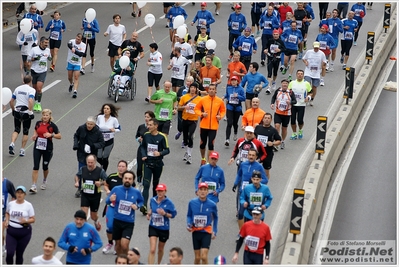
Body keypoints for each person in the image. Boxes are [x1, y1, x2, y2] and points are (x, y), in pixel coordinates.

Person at [106, 171, 144, 255]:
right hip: (117, 220)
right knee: (118, 245)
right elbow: (107, 200)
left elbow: (141, 201)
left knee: (124, 244)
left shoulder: (136, 192)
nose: (127, 180)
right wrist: (110, 199)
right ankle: (121, 261)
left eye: (130, 179)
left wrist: (137, 206)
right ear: (122, 179)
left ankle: (128, 261)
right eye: (126, 178)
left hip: (128, 222)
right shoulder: (116, 189)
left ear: (133, 180)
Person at [140, 118, 170, 215]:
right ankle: (144, 205)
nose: (148, 127)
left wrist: (160, 153)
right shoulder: (146, 135)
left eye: (150, 125)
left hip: (158, 164)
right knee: (146, 184)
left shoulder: (162, 137)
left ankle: (154, 205)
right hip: (148, 163)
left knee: (155, 185)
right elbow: (143, 146)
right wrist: (144, 155)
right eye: (148, 125)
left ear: (156, 126)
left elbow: (167, 150)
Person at [232, 150, 268, 229]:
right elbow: (239, 174)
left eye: (253, 155)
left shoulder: (259, 166)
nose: (251, 157)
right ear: (247, 155)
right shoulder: (243, 164)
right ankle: (242, 232)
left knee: (251, 214)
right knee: (240, 214)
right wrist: (235, 183)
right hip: (243, 193)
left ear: (256, 157)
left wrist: (255, 180)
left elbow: (265, 180)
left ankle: (254, 231)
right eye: (250, 155)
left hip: (253, 194)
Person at [30, 109, 61, 193]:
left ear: (50, 116)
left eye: (47, 115)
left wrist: (51, 135)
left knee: (45, 167)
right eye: (44, 115)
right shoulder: (38, 123)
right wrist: (35, 135)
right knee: (36, 166)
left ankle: (44, 180)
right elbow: (36, 129)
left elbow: (59, 136)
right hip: (37, 147)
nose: (45, 117)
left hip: (48, 149)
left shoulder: (52, 126)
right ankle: (34, 186)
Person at [194, 84, 226, 166]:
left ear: (216, 91)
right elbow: (196, 109)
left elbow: (223, 110)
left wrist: (220, 116)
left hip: (214, 126)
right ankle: (203, 158)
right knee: (202, 144)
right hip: (204, 125)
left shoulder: (219, 101)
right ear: (208, 90)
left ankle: (208, 162)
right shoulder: (203, 99)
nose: (211, 90)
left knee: (211, 144)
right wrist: (201, 114)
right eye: (210, 89)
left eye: (213, 89)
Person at [187, 182, 218, 264]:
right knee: (197, 258)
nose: (203, 192)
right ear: (198, 191)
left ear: (207, 192)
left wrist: (214, 230)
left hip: (206, 231)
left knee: (203, 257)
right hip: (196, 231)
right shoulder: (192, 203)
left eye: (205, 190)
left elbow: (216, 217)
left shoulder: (212, 204)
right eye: (201, 190)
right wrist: (188, 224)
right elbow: (189, 215)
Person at [74, 154, 107, 232]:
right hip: (85, 195)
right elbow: (77, 176)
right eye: (88, 162)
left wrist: (101, 183)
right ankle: (84, 231)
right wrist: (77, 182)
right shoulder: (83, 169)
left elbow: (107, 181)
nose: (90, 164)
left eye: (92, 163)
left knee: (93, 216)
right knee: (83, 214)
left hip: (95, 196)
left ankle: (96, 221)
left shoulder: (100, 171)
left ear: (95, 162)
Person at [146, 184, 177, 264]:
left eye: (161, 191)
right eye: (158, 191)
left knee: (160, 249)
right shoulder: (153, 200)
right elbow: (152, 209)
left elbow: (173, 215)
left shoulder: (169, 202)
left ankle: (158, 264)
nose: (159, 193)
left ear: (165, 191)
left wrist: (165, 214)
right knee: (152, 249)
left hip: (164, 229)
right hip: (153, 226)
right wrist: (149, 214)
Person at [4, 185, 35, 265]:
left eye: (21, 193)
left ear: (25, 195)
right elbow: (7, 213)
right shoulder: (11, 204)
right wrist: (7, 220)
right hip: (11, 232)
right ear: (15, 193)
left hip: (24, 233)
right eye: (18, 192)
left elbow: (33, 219)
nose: (19, 194)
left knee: (19, 254)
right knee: (10, 253)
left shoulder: (28, 205)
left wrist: (26, 221)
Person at [102, 160, 128, 254]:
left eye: (123, 166)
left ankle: (118, 245)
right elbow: (105, 184)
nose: (121, 168)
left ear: (126, 168)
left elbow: (133, 189)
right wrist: (107, 190)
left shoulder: (127, 179)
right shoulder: (112, 177)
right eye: (119, 166)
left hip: (122, 208)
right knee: (110, 226)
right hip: (111, 206)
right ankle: (110, 243)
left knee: (120, 227)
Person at [9, 75, 35, 157]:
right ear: (30, 81)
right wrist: (30, 112)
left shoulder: (17, 88)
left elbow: (11, 100)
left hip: (17, 110)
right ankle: (22, 150)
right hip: (25, 112)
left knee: (16, 129)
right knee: (25, 131)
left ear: (23, 81)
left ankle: (12, 143)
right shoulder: (31, 90)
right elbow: (30, 101)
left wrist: (13, 110)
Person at [73, 116, 105, 183]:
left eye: (91, 124)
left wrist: (93, 146)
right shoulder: (81, 128)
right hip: (81, 153)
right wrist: (76, 144)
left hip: (92, 154)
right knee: (81, 171)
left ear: (94, 124)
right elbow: (76, 135)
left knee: (90, 171)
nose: (89, 126)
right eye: (88, 124)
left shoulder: (98, 132)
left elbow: (102, 143)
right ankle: (80, 188)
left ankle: (90, 186)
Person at [270, 79, 297, 149]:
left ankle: (282, 141)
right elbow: (273, 97)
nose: (284, 85)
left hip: (286, 114)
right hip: (278, 112)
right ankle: (277, 141)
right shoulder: (278, 90)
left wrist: (290, 102)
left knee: (284, 129)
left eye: (286, 83)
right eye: (283, 83)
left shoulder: (290, 92)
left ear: (288, 85)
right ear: (281, 84)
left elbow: (295, 101)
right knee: (277, 126)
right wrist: (272, 103)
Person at [27, 36, 52, 112]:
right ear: (41, 42)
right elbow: (28, 59)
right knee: (34, 89)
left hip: (43, 71)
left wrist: (50, 59)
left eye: (47, 43)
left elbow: (50, 58)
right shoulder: (34, 50)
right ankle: (36, 102)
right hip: (34, 71)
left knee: (39, 88)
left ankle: (38, 103)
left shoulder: (47, 50)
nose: (46, 44)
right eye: (45, 43)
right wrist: (35, 58)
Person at [178, 82, 201, 164]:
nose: (193, 89)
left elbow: (203, 108)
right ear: (189, 88)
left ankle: (189, 155)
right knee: (185, 139)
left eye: (194, 88)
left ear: (196, 89)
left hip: (193, 120)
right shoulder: (184, 97)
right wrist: (184, 107)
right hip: (185, 119)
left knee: (190, 135)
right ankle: (186, 152)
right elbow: (178, 107)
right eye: (192, 87)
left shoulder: (199, 99)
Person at [254, 113, 282, 179]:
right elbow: (254, 136)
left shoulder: (273, 130)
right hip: (257, 153)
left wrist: (273, 143)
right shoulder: (258, 128)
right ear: (263, 119)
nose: (267, 120)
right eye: (265, 118)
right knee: (254, 169)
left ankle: (264, 186)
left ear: (271, 120)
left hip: (268, 153)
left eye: (268, 118)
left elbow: (279, 141)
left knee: (266, 171)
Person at [96, 103, 121, 171]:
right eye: (104, 108)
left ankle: (104, 171)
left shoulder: (114, 119)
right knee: (98, 156)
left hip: (109, 141)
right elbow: (96, 126)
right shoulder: (99, 117)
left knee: (105, 157)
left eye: (107, 109)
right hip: (100, 140)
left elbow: (119, 129)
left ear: (110, 110)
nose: (105, 110)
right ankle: (102, 165)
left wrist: (114, 130)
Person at [289, 70, 312, 141]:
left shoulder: (306, 83)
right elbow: (288, 92)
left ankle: (300, 130)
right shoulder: (292, 83)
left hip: (302, 104)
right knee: (292, 120)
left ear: (303, 75)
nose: (300, 75)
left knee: (300, 120)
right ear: (296, 75)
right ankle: (294, 133)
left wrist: (308, 97)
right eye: (298, 74)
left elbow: (311, 92)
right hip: (293, 104)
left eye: (301, 74)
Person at [223, 76, 246, 146]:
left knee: (235, 123)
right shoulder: (229, 88)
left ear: (237, 81)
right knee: (229, 122)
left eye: (234, 80)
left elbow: (244, 98)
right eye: (232, 80)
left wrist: (238, 96)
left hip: (237, 108)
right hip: (230, 107)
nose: (233, 82)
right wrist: (223, 97)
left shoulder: (241, 89)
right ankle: (227, 139)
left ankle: (235, 132)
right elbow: (227, 95)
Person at [135, 111, 156, 185]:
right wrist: (138, 139)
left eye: (148, 117)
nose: (146, 118)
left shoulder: (154, 128)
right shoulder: (141, 126)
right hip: (141, 149)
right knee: (139, 167)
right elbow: (136, 136)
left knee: (148, 168)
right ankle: (139, 181)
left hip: (151, 150)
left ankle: (146, 182)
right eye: (145, 117)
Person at [264, 30, 286, 95]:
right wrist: (265, 50)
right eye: (274, 34)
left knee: (275, 72)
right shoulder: (270, 40)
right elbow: (266, 47)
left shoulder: (281, 41)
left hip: (277, 58)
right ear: (272, 35)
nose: (275, 35)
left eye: (277, 34)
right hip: (270, 57)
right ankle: (269, 87)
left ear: (279, 35)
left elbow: (284, 49)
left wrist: (280, 50)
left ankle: (273, 82)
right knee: (269, 72)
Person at [66, 33, 86, 98]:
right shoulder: (72, 41)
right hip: (70, 62)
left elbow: (81, 54)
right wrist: (72, 48)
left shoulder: (83, 45)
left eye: (79, 39)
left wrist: (75, 51)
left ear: (81, 40)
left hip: (77, 63)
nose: (77, 40)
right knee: (69, 77)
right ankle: (71, 84)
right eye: (77, 38)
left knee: (76, 77)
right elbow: (68, 44)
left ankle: (75, 91)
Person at [2, 176, 16, 255]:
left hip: (3, 212)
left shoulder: (7, 183)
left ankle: (3, 246)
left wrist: (11, 206)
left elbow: (14, 195)